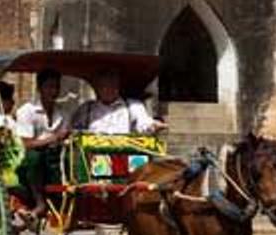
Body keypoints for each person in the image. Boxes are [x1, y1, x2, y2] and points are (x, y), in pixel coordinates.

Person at [14, 69, 70, 221]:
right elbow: (27, 144)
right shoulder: (27, 111)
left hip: (55, 158)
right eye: (49, 87)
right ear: (40, 88)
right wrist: (54, 138)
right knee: (35, 157)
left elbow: (65, 137)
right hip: (28, 161)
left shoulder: (62, 113)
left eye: (56, 87)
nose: (54, 91)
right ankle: (40, 202)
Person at [70, 68, 167, 134]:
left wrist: (153, 126)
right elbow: (74, 132)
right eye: (104, 85)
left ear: (118, 86)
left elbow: (144, 124)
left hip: (126, 158)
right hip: (92, 160)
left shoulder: (133, 106)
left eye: (112, 84)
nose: (108, 89)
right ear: (97, 87)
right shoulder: (86, 109)